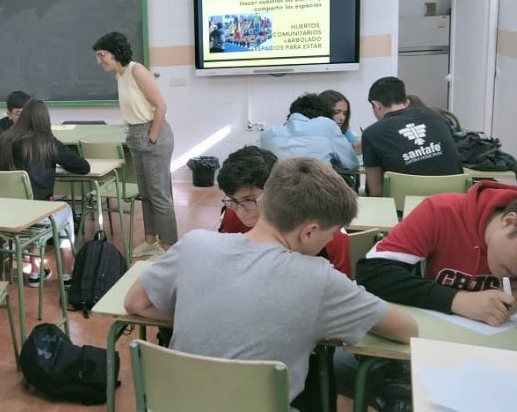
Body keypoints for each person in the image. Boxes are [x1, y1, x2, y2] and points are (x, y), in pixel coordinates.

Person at [124, 158, 417, 409]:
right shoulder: (319, 278)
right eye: (329, 234)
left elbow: (135, 303)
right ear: (310, 231)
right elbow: (407, 330)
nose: (330, 240)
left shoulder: (195, 244)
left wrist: (208, 313)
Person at [357, 181, 517, 326]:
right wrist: (456, 300)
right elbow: (372, 273)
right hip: (428, 332)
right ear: (509, 223)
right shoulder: (440, 211)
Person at [0, 98, 89, 286]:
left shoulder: (3, 140)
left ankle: (36, 272)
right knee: (64, 210)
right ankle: (67, 274)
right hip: (36, 216)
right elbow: (83, 167)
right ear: (45, 120)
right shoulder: (47, 142)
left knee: (31, 205)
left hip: (6, 215)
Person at [93, 32, 177, 255]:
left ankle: (168, 246)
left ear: (115, 52)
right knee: (146, 193)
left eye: (102, 55)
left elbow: (161, 106)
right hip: (135, 133)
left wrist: (152, 137)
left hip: (152, 132)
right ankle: (150, 241)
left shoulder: (137, 71)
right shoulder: (119, 75)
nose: (99, 60)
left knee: (159, 195)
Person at [217, 145, 351, 277]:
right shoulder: (231, 216)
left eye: (248, 201)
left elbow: (342, 287)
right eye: (233, 201)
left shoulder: (326, 234)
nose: (240, 211)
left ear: (275, 191)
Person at [362, 77, 462, 197]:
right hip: (453, 203)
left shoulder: (372, 133)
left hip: (405, 210)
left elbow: (376, 192)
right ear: (407, 101)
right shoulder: (438, 117)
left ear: (376, 105)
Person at [260, 93, 359, 172]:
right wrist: (328, 166)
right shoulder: (326, 124)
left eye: (345, 113)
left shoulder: (267, 134)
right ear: (323, 113)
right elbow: (352, 165)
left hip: (277, 193)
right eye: (336, 112)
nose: (342, 118)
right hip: (317, 192)